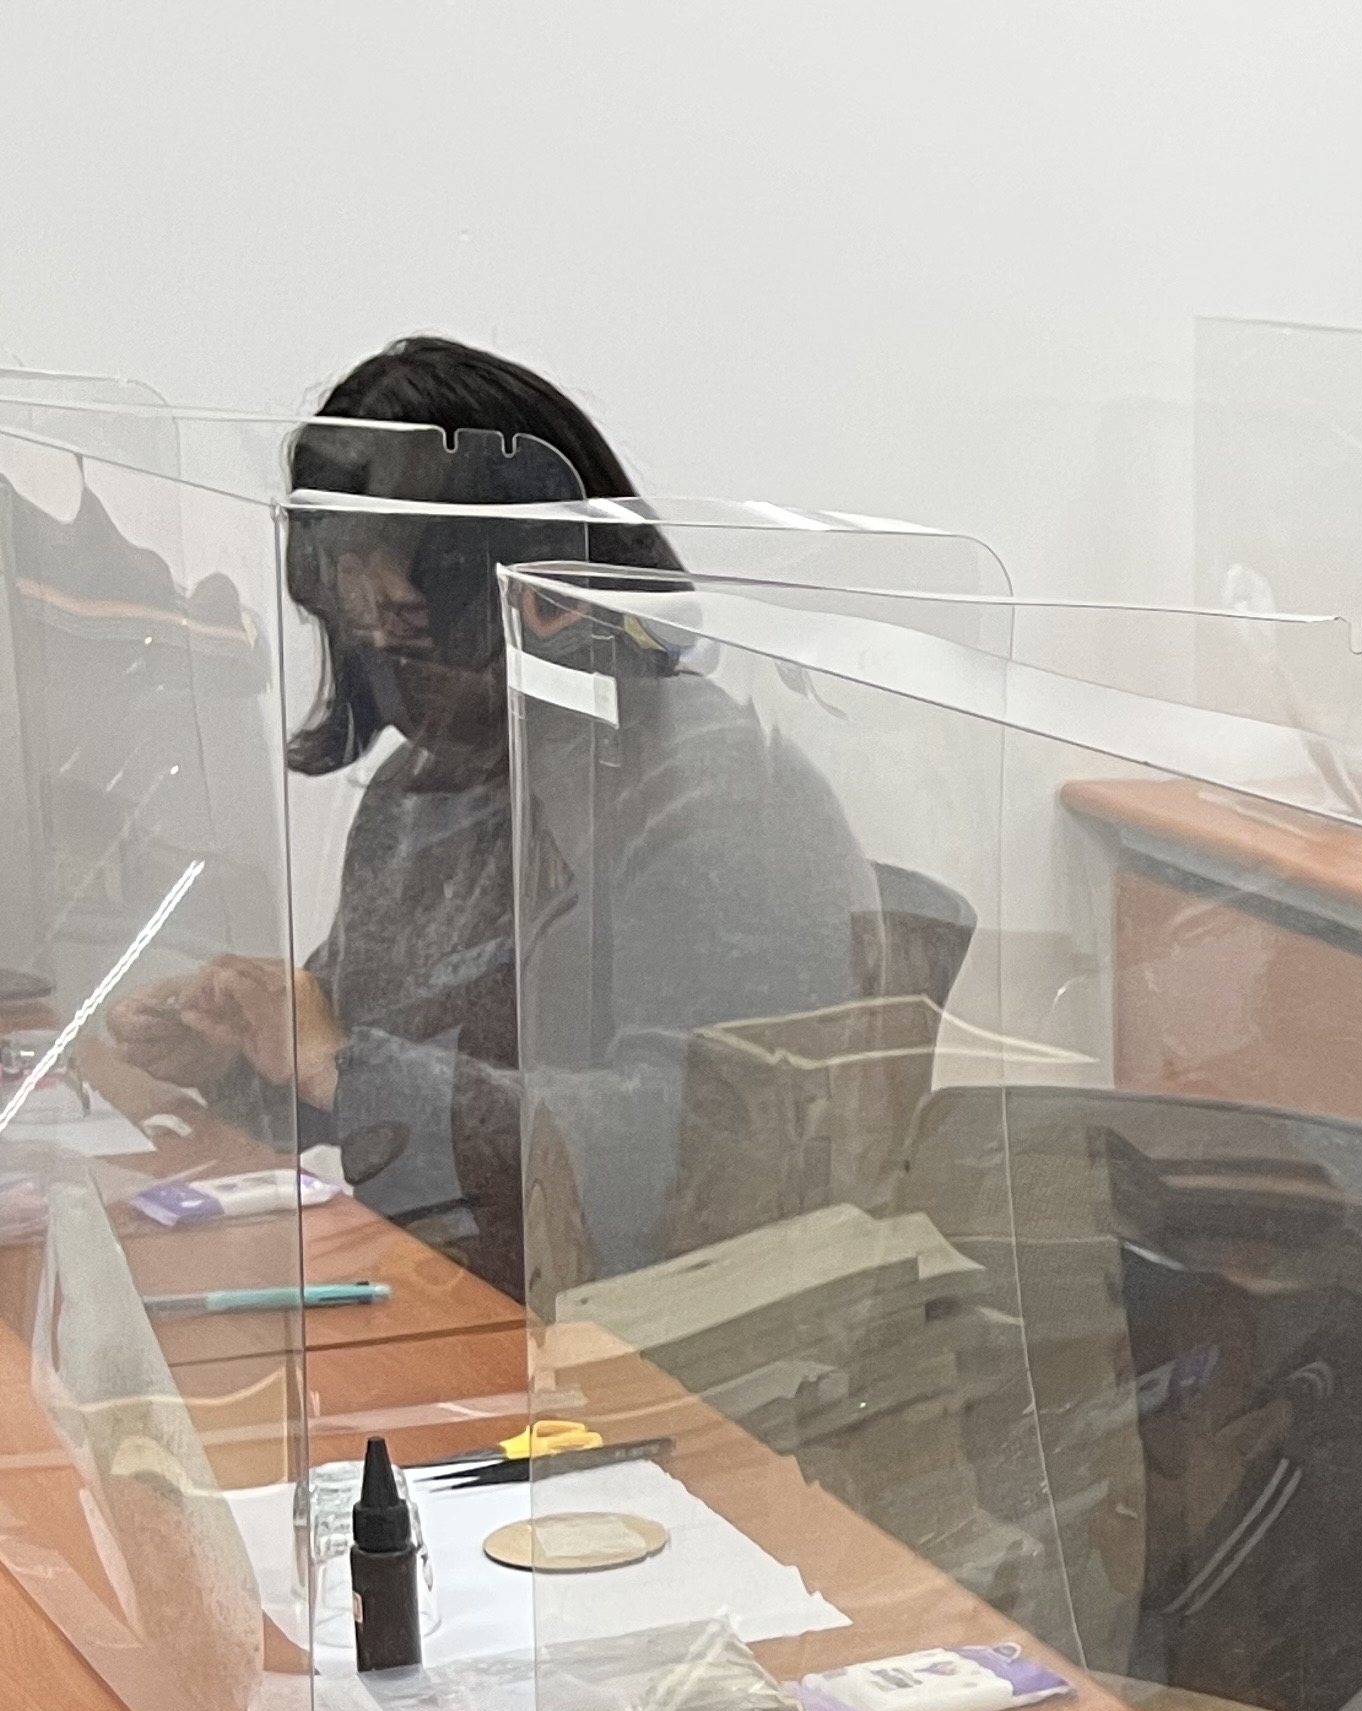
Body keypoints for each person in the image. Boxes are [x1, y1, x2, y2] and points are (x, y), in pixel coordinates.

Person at [100, 337, 869, 1299]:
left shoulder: (718, 801)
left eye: (405, 630)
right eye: (356, 630)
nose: (390, 680)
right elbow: (363, 1067)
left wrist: (340, 1064)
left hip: (629, 1327)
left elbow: (686, 1146)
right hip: (449, 1284)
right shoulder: (429, 790)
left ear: (535, 602)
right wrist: (244, 1055)